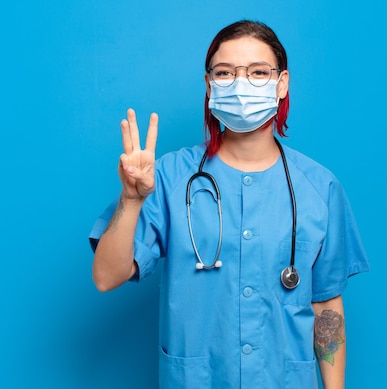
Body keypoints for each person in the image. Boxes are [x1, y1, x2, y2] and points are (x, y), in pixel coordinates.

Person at [89, 19, 369, 389]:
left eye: (258, 72)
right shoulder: (170, 178)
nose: (240, 85)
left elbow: (326, 306)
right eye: (225, 73)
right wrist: (131, 199)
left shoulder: (320, 187)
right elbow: (107, 277)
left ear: (282, 83)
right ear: (209, 85)